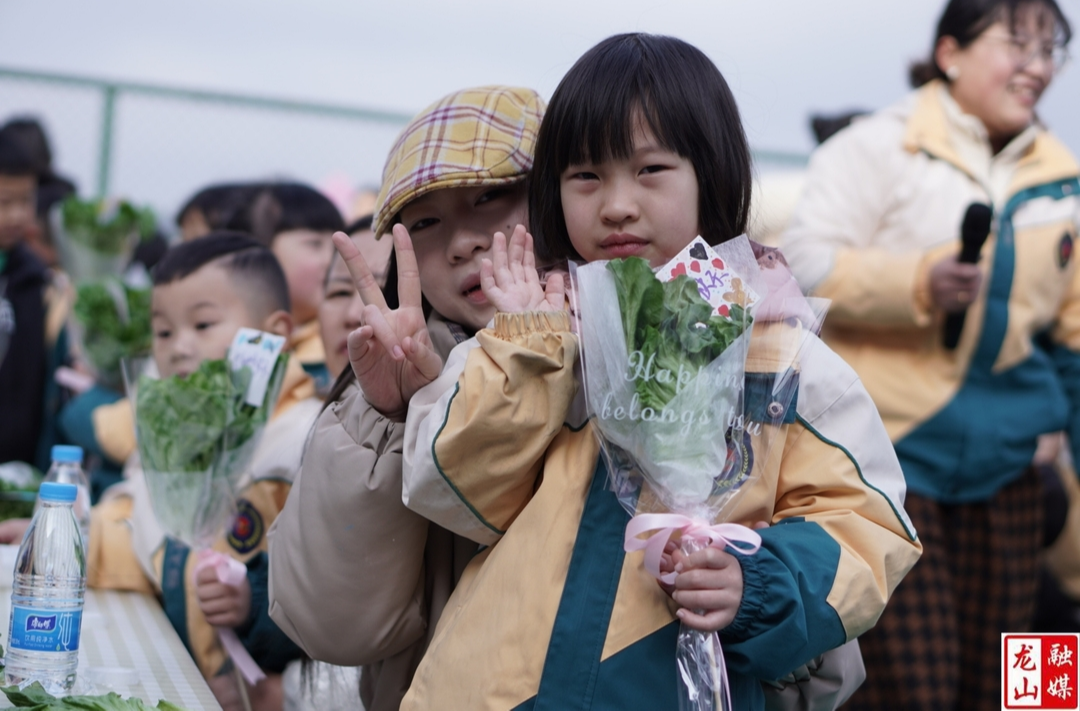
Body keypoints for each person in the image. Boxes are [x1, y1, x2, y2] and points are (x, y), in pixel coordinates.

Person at [395, 33, 921, 710]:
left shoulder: (778, 346)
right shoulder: (536, 327)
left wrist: (754, 580)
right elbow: (454, 487)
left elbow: (867, 522)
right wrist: (527, 346)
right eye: (585, 176)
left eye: (650, 170)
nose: (615, 203)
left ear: (713, 173)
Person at [779, 0, 1076, 707]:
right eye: (1018, 44)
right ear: (951, 52)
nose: (1037, 65)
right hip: (892, 461)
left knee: (1023, 689)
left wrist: (1057, 425)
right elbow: (799, 262)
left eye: (1051, 49)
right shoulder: (878, 145)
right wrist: (916, 280)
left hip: (1011, 466)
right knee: (917, 690)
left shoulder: (1063, 175)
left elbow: (1069, 327)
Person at [267, 85, 544, 711]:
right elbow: (334, 625)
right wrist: (391, 418)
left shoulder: (633, 359)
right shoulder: (387, 390)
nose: (464, 241)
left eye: (491, 196)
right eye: (423, 222)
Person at [80, 234, 318, 711]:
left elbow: (327, 596)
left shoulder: (304, 442)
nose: (178, 348)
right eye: (163, 332)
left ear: (273, 333)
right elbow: (145, 537)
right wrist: (72, 535)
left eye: (203, 324)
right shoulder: (179, 433)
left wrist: (251, 606)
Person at [0, 128, 70, 471]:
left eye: (25, 200)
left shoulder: (38, 280)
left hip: (17, 464)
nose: (16, 215)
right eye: (4, 202)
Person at [244, 182, 346, 391]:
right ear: (263, 251)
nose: (331, 260)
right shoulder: (243, 338)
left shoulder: (344, 342)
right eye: (314, 244)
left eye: (336, 247)